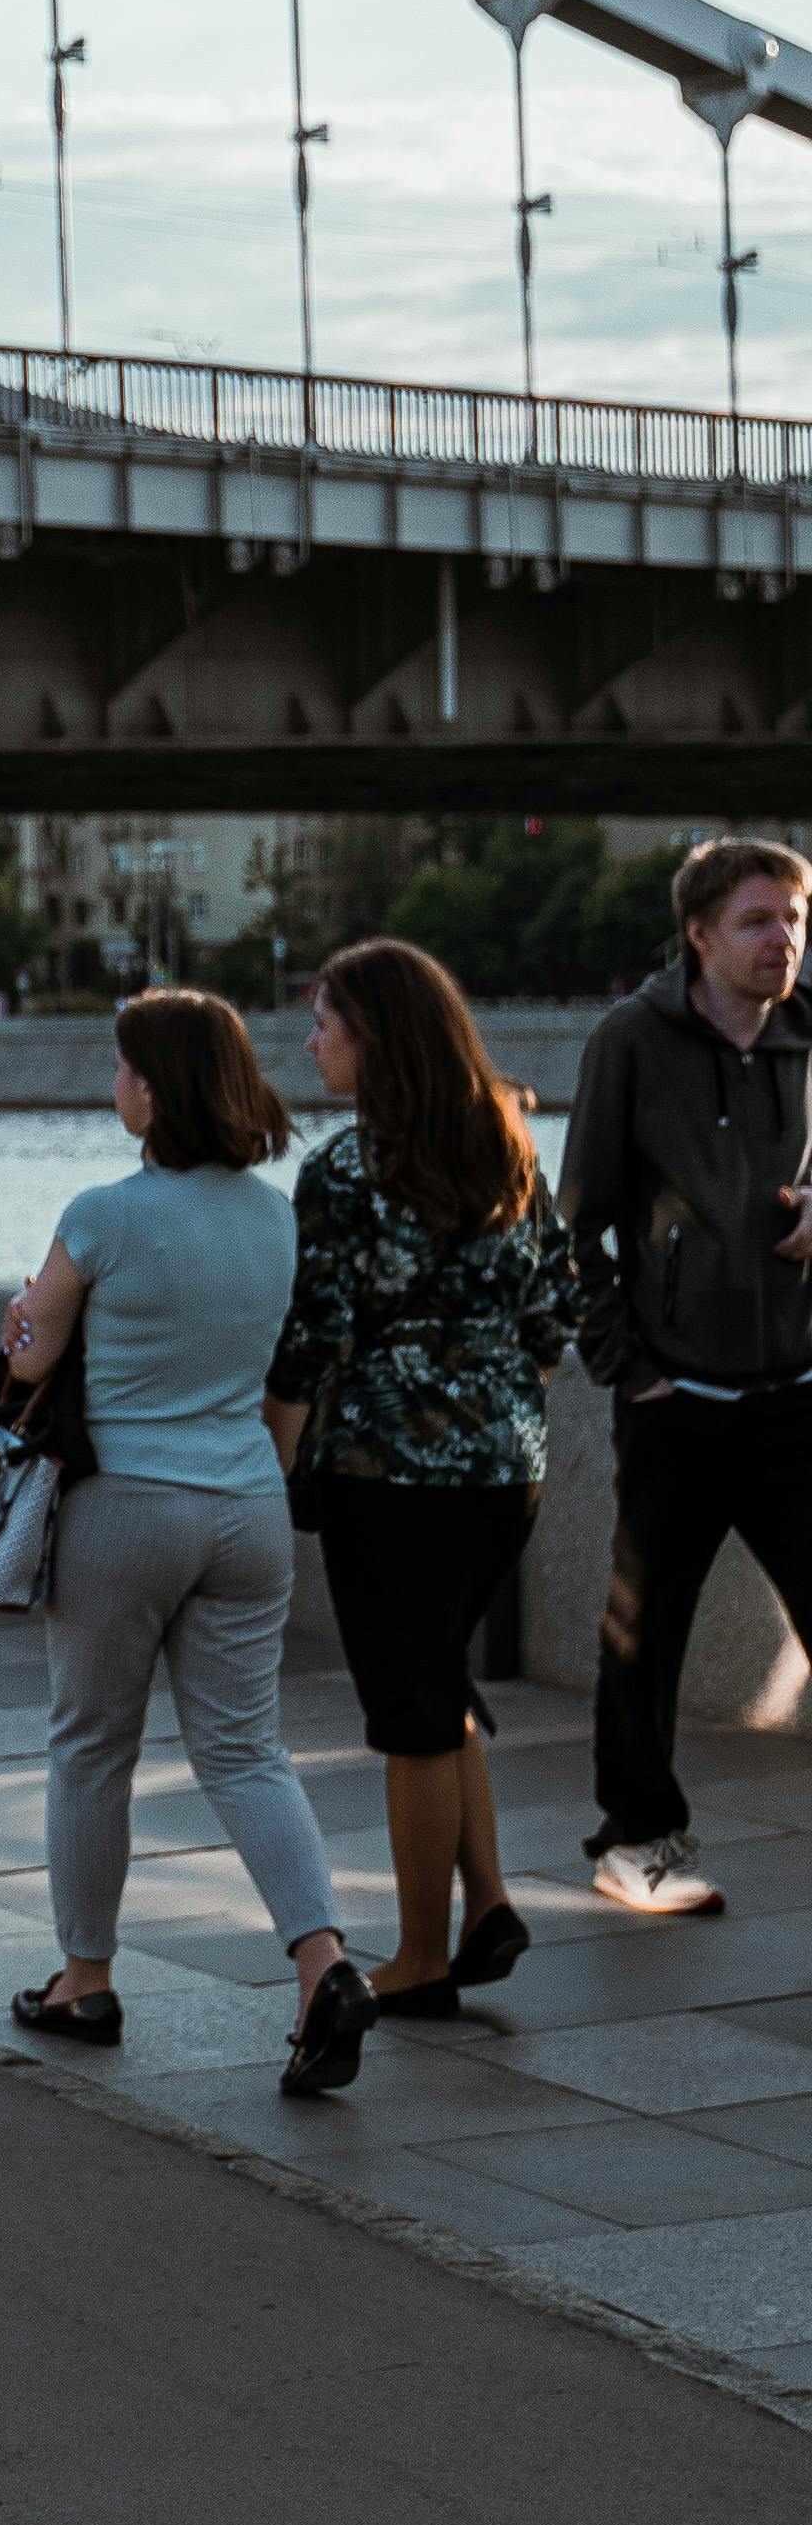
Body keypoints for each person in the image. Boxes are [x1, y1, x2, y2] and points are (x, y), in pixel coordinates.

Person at [0, 982, 379, 2101]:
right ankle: (321, 1964)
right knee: (246, 1750)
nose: (111, 1085)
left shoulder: (102, 1214)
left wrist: (20, 1315)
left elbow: (30, 1360)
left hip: (126, 1512)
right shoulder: (273, 1215)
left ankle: (84, 1980)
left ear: (153, 1090)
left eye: (120, 1068)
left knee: (91, 1747)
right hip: (246, 1510)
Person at [269, 941, 577, 2017]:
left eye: (324, 1024)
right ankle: (487, 1903)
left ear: (377, 1039)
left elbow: (306, 1344)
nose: (309, 1043)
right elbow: (557, 1313)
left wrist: (268, 1468)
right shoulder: (509, 1143)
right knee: (437, 1688)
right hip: (505, 1472)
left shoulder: (345, 1171)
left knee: (407, 1714)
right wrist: (485, 1391)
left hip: (384, 1475)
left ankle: (416, 1957)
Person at [557, 831, 812, 1922]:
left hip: (796, 1396)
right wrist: (630, 1369)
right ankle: (637, 1843)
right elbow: (574, 1229)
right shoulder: (632, 1041)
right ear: (699, 934)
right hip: (679, 1402)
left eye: (796, 919)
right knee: (643, 1636)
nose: (783, 941)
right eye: (758, 920)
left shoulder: (810, 1034)